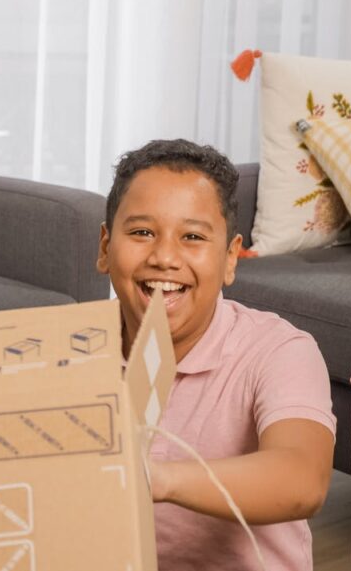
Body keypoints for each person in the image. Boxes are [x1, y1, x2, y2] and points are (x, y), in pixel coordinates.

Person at [95, 139, 336, 571]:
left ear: (229, 259)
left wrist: (156, 478)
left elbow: (304, 479)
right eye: (141, 232)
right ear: (104, 247)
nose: (165, 256)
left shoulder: (279, 350)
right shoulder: (68, 350)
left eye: (192, 237)